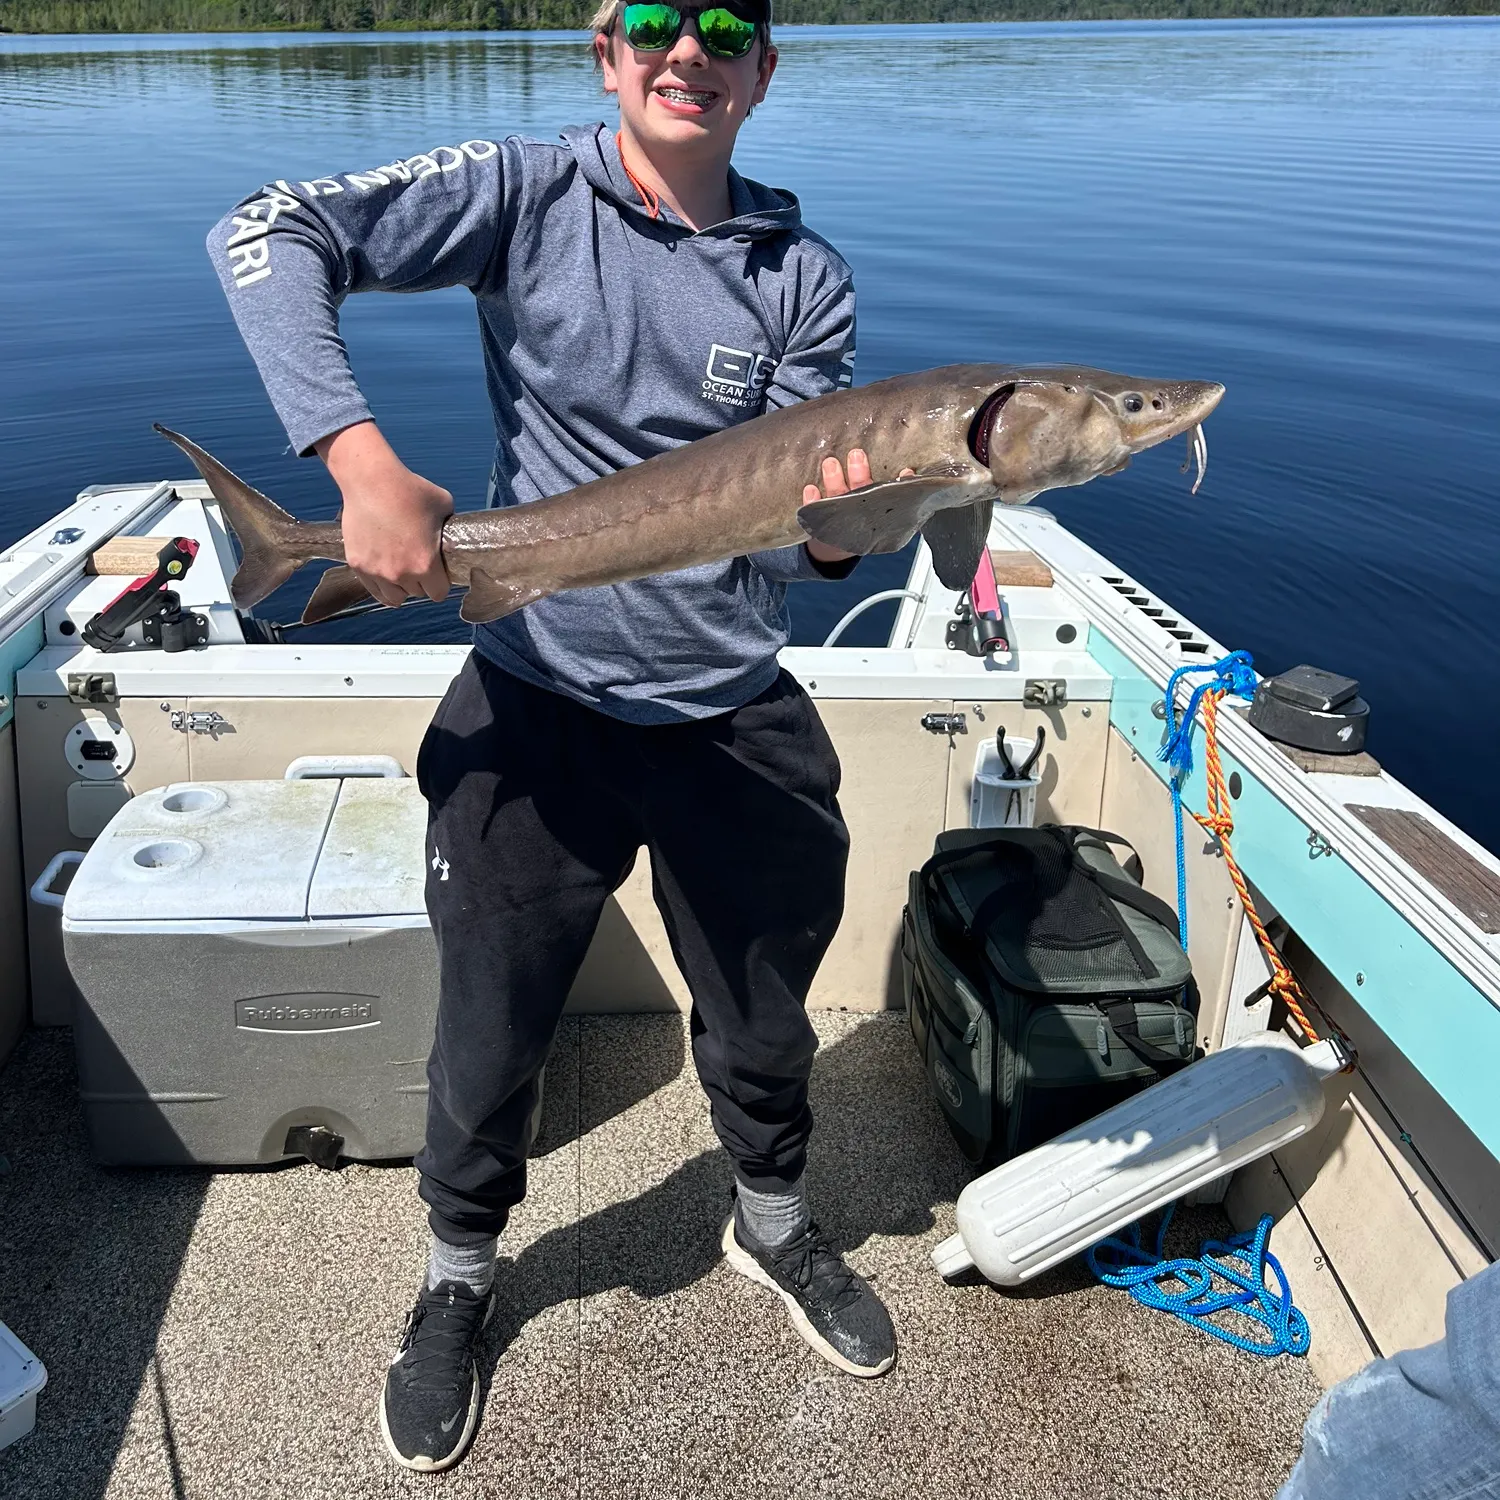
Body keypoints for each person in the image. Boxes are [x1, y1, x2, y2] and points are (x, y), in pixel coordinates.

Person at [207, 0, 897, 1474]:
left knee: (769, 1019)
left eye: (727, 28)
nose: (687, 52)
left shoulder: (803, 274)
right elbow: (262, 232)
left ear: (764, 71)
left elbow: (814, 533)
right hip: (537, 701)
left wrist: (857, 517)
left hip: (731, 710)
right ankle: (460, 1276)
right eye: (655, 19)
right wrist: (360, 460)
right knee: (489, 1031)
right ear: (607, 51)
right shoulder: (526, 192)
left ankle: (770, 1224)